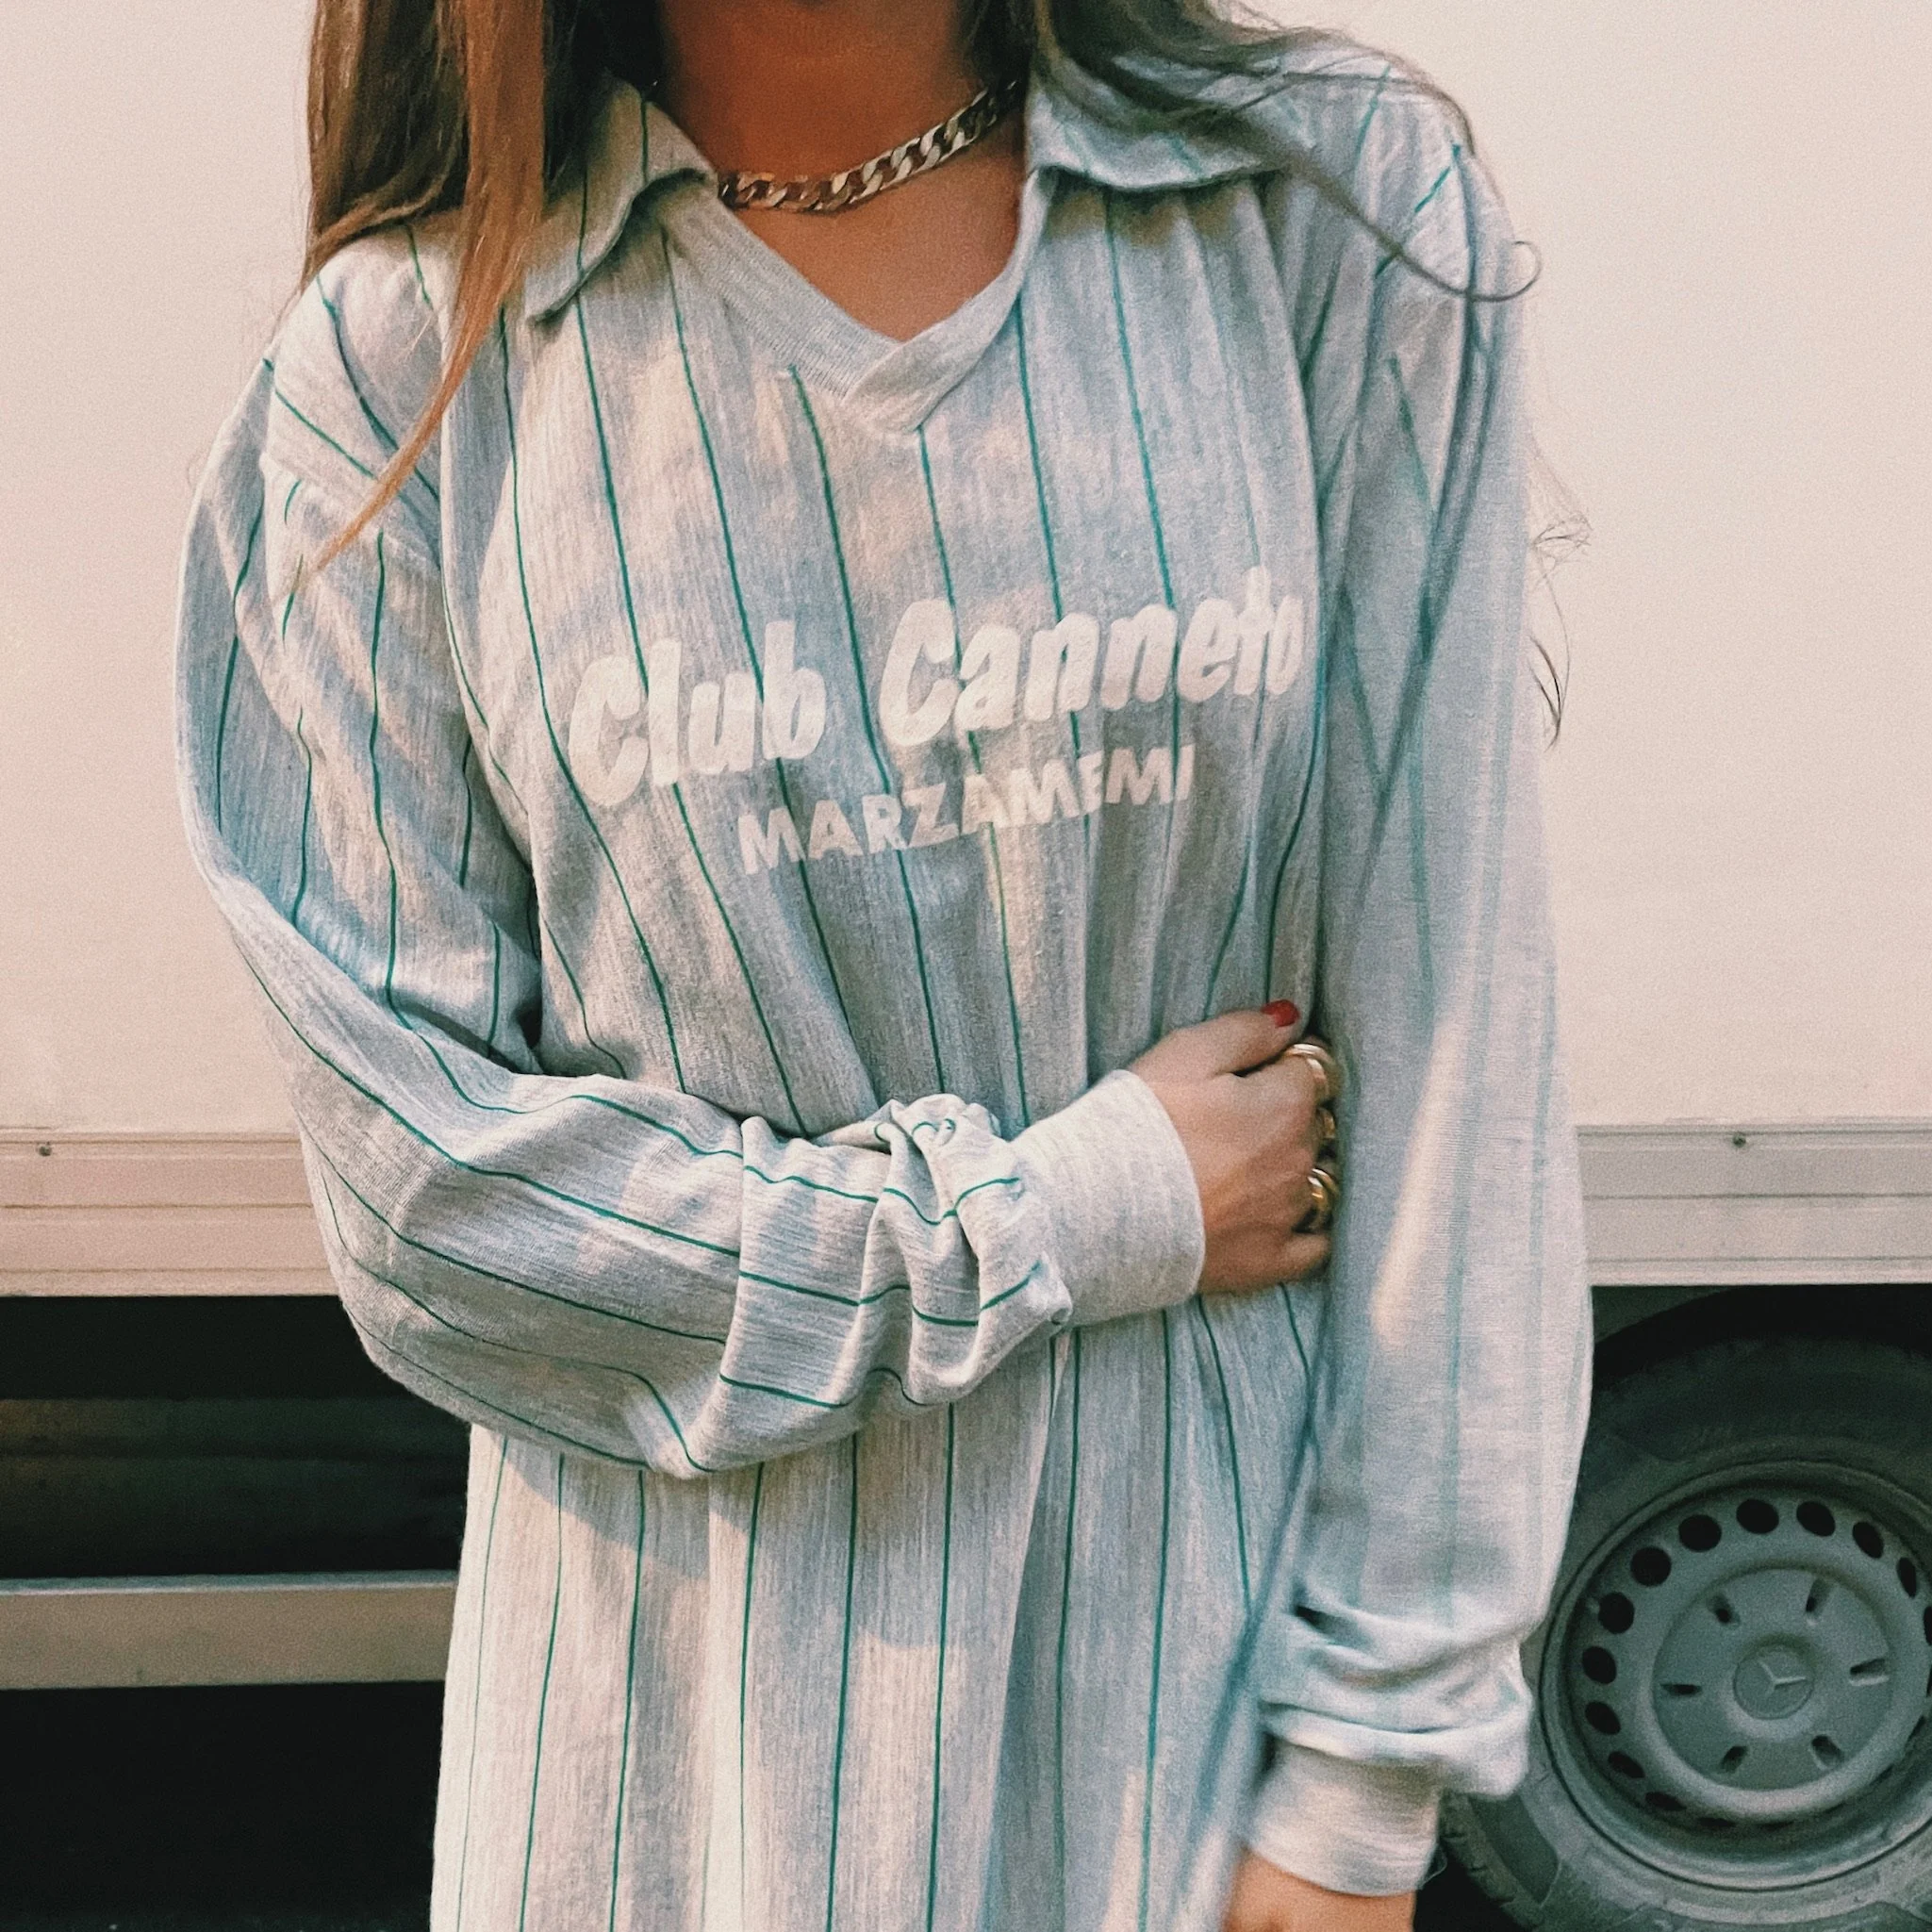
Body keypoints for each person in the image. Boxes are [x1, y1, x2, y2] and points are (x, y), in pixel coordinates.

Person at [172, 0, 1593, 1923]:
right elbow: (437, 1212)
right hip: (678, 1778)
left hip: (1187, 1725)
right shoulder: (399, 368)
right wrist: (1067, 1209)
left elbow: (1455, 1031)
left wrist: (1363, 1768)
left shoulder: (1320, 207)